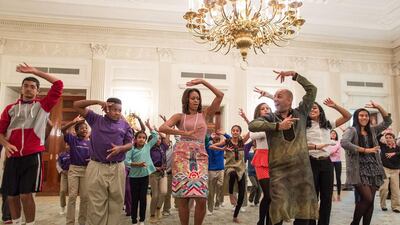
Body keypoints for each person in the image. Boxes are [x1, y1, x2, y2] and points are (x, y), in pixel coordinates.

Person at [249, 70, 318, 225]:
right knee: (277, 212)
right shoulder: (270, 117)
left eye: (279, 96)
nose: (275, 100)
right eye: (275, 97)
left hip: (302, 171)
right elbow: (253, 125)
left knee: (303, 213)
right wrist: (278, 126)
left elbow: (312, 89)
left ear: (289, 100)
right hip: (279, 172)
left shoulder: (301, 112)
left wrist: (295, 75)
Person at [0, 63, 63, 225]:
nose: (29, 89)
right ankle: (16, 222)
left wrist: (36, 71)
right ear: (21, 89)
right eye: (26, 86)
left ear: (37, 91)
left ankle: (30, 223)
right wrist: (5, 144)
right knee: (11, 195)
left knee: (26, 195)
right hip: (12, 158)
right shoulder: (10, 108)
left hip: (32, 157)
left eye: (33, 87)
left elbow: (58, 84)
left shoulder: (42, 106)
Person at [159, 78, 223, 225]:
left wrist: (202, 82)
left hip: (199, 157)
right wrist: (185, 133)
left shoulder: (205, 114)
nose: (196, 101)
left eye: (198, 98)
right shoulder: (179, 116)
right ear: (186, 100)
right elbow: (162, 128)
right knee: (183, 197)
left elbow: (220, 96)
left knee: (201, 198)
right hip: (182, 157)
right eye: (193, 98)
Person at [73, 97, 133, 225]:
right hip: (97, 166)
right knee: (96, 203)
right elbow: (77, 105)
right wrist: (97, 102)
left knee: (116, 203)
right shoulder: (96, 119)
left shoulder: (125, 125)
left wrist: (121, 148)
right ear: (107, 109)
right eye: (114, 109)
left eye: (119, 110)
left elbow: (130, 144)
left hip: (117, 166)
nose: (117, 112)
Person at [341, 101, 392, 225]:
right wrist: (365, 150)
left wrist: (378, 107)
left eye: (366, 115)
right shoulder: (352, 130)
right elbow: (344, 143)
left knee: (370, 201)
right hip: (358, 169)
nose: (364, 117)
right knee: (367, 199)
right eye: (361, 115)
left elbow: (387, 122)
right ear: (356, 117)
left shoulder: (372, 130)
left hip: (373, 168)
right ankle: (354, 223)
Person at [306, 99, 351, 225]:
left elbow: (348, 116)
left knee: (327, 198)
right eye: (309, 108)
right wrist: (315, 147)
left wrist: (335, 106)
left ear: (320, 111)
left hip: (326, 163)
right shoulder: (304, 126)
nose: (312, 110)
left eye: (315, 108)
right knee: (312, 197)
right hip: (311, 162)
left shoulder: (327, 125)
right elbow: (300, 145)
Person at [239, 102, 272, 225]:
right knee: (268, 194)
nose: (266, 110)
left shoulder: (274, 122)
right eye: (262, 109)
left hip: (274, 159)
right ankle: (260, 222)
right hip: (261, 159)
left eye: (267, 108)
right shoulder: (258, 125)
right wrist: (273, 129)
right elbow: (253, 135)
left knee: (272, 196)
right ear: (258, 112)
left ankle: (269, 221)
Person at [210, 125, 250, 223]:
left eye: (237, 131)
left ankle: (235, 216)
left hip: (241, 169)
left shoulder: (242, 142)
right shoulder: (227, 142)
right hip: (230, 167)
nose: (235, 132)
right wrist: (223, 149)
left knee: (241, 196)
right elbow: (211, 146)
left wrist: (245, 118)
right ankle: (231, 194)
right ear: (231, 132)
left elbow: (251, 131)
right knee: (232, 174)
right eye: (233, 130)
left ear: (239, 132)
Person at [125, 119, 158, 225]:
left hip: (144, 177)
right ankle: (134, 220)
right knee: (135, 199)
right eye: (139, 137)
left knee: (143, 199)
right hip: (134, 178)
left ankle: (142, 220)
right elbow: (126, 161)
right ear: (135, 139)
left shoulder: (147, 147)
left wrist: (149, 127)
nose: (142, 139)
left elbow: (156, 136)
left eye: (144, 138)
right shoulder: (132, 149)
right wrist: (136, 164)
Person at [61, 115, 91, 225]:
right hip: (73, 170)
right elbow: (63, 129)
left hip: (86, 170)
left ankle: (82, 222)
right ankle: (70, 222)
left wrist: (90, 159)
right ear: (76, 130)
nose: (84, 129)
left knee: (85, 197)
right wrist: (73, 122)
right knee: (72, 196)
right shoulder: (72, 139)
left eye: (86, 128)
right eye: (82, 128)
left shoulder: (89, 142)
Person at [205, 130, 230, 215]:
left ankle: (218, 202)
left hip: (221, 169)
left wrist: (224, 134)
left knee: (220, 185)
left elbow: (230, 140)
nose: (216, 136)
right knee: (211, 190)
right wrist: (209, 137)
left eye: (217, 135)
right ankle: (210, 209)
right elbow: (206, 142)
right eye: (214, 135)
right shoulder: (209, 145)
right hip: (211, 170)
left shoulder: (222, 144)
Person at [149, 129, 168, 222]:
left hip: (163, 173)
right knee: (155, 195)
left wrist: (157, 131)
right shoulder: (149, 148)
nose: (158, 140)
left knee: (164, 192)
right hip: (153, 173)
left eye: (159, 138)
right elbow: (147, 161)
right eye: (156, 139)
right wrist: (155, 168)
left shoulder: (163, 147)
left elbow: (165, 137)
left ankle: (158, 209)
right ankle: (152, 215)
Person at [378, 132, 400, 213]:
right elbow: (377, 137)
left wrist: (395, 153)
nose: (388, 139)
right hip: (385, 169)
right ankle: (383, 205)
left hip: (395, 170)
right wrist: (382, 132)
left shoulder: (398, 148)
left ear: (394, 138)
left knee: (395, 189)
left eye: (390, 137)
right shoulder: (383, 146)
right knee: (384, 188)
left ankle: (396, 207)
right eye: (386, 137)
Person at [56, 145, 70, 215]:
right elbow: (57, 164)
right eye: (67, 145)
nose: (68, 146)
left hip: (73, 174)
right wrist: (61, 171)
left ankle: (71, 208)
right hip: (64, 174)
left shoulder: (75, 153)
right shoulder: (62, 154)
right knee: (62, 190)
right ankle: (62, 207)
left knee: (72, 193)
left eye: (69, 145)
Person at [329, 130, 342, 201]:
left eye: (334, 133)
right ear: (329, 135)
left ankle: (338, 195)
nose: (333, 135)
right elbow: (329, 151)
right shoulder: (328, 142)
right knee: (330, 179)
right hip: (330, 161)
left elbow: (332, 151)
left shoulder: (338, 142)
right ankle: (332, 195)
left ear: (336, 135)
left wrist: (329, 151)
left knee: (338, 178)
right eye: (332, 134)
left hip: (337, 162)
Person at [0, 145, 12, 224]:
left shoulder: (4, 147)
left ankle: (6, 216)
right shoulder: (6, 147)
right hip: (8, 171)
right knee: (9, 194)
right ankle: (7, 216)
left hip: (5, 172)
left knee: (6, 194)